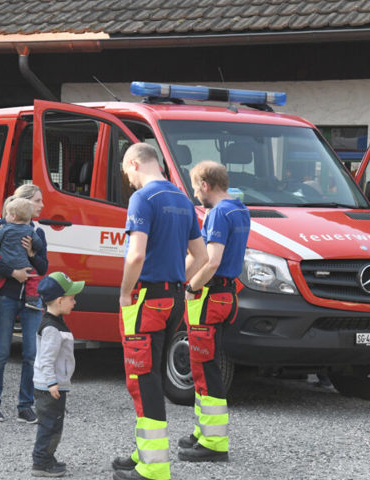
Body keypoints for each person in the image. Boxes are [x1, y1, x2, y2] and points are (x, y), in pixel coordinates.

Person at [112, 143, 207, 480]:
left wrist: (125, 293)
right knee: (151, 374)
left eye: (127, 173)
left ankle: (153, 467)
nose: (129, 180)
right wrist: (175, 275)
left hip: (145, 299)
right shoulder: (183, 199)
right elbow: (202, 256)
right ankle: (144, 454)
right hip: (174, 298)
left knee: (143, 379)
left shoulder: (143, 199)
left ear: (135, 163)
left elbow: (135, 255)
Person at [180, 160, 250, 463]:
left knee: (206, 370)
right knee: (203, 366)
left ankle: (214, 443)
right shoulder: (239, 209)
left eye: (196, 188)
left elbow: (211, 260)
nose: (196, 194)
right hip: (227, 295)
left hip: (210, 296)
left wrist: (191, 287)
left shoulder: (218, 214)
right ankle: (202, 430)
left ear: (206, 185)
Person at [0, 183, 48, 423]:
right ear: (24, 203)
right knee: (1, 352)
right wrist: (13, 273)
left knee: (30, 353)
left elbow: (44, 267)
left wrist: (31, 255)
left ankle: (25, 406)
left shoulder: (37, 233)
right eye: (38, 201)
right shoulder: (2, 227)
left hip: (31, 300)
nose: (41, 205)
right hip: (6, 297)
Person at [30, 272, 84, 478]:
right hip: (49, 387)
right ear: (59, 300)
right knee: (50, 425)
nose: (75, 302)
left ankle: (47, 457)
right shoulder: (52, 328)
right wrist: (52, 382)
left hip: (54, 385)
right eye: (71, 299)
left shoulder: (55, 322)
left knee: (54, 424)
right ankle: (41, 462)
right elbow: (46, 358)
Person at [0, 197, 44, 311]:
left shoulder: (5, 228)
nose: (5, 217)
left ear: (14, 216)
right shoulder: (30, 231)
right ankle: (33, 301)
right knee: (34, 277)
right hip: (22, 262)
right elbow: (39, 245)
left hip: (4, 259)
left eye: (8, 214)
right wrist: (31, 249)